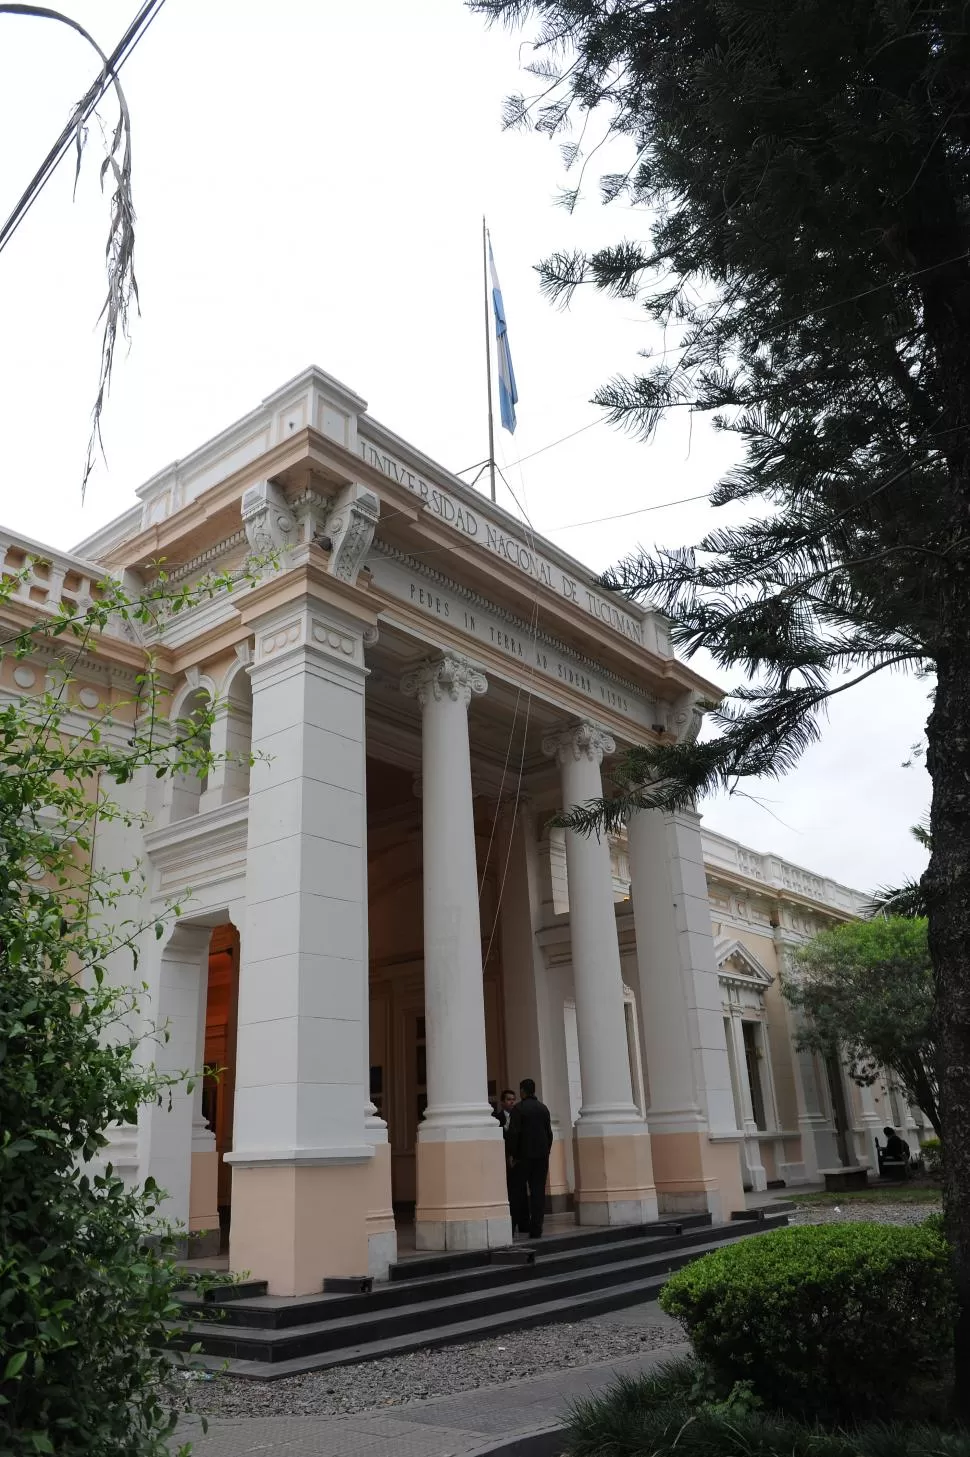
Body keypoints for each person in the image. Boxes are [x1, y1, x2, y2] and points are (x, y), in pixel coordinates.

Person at [506, 1078, 553, 1239]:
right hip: (541, 1157)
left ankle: (512, 1227)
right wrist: (546, 1151)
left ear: (522, 1091)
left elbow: (514, 1134)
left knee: (517, 1192)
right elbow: (549, 1133)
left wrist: (512, 1154)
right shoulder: (543, 1109)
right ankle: (536, 1229)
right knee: (538, 1193)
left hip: (522, 1157)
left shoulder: (519, 1109)